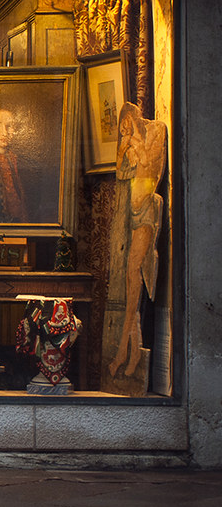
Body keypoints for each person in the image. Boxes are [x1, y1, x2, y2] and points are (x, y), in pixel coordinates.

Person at [108, 102, 166, 378]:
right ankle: (129, 353)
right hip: (131, 214)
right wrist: (123, 148)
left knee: (134, 277)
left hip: (145, 213)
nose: (125, 129)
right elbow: (121, 173)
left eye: (127, 124)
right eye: (123, 127)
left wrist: (137, 142)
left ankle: (125, 353)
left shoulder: (155, 133)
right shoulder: (129, 143)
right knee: (130, 283)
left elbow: (149, 167)